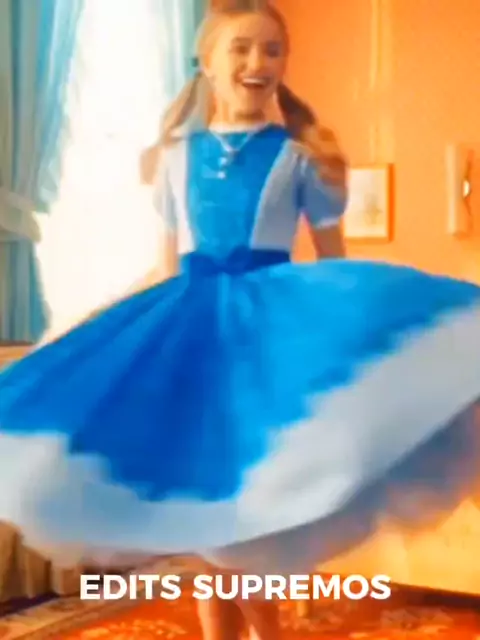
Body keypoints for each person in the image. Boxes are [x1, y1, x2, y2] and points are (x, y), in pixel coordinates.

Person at [0, 2, 479, 640]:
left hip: (266, 345)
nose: (258, 62)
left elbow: (335, 267)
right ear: (207, 62)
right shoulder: (174, 158)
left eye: (273, 50)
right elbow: (166, 269)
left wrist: (363, 347)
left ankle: (268, 632)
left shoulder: (300, 158)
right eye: (242, 48)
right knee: (203, 525)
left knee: (243, 527)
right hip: (193, 343)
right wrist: (91, 329)